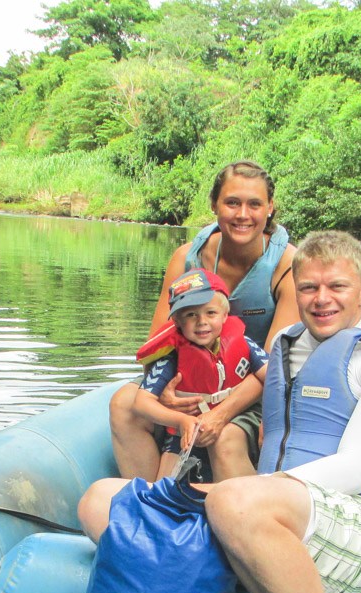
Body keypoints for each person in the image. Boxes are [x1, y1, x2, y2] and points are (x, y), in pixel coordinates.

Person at [202, 230, 361, 593]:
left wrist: (238, 493)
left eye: (336, 286)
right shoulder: (284, 348)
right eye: (308, 287)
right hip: (270, 510)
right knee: (105, 501)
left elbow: (355, 471)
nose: (321, 298)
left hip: (360, 523)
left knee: (230, 498)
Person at [110, 161, 299, 481]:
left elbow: (273, 368)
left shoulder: (287, 264)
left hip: (250, 393)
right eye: (232, 203)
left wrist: (220, 413)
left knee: (225, 434)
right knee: (124, 404)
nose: (243, 214)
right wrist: (167, 394)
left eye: (254, 204)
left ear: (269, 208)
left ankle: (233, 509)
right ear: (214, 205)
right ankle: (146, 501)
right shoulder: (186, 258)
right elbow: (158, 342)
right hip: (190, 383)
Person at [134, 268, 269, 481]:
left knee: (227, 444)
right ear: (177, 322)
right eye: (191, 315)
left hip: (234, 420)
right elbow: (141, 403)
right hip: (184, 432)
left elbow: (272, 377)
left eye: (210, 313)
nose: (201, 321)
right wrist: (180, 421)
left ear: (225, 315)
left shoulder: (244, 344)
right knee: (164, 487)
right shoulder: (172, 357)